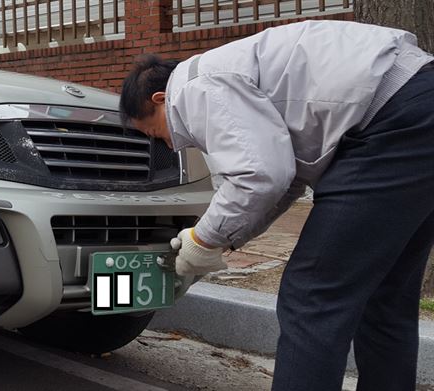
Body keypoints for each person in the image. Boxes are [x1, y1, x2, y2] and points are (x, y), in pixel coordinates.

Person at [119, 20, 434, 391]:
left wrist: (203, 238)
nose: (167, 145)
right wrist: (224, 240)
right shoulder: (232, 69)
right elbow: (285, 181)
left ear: (159, 100)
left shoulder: (194, 87)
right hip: (418, 102)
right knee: (386, 298)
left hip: (391, 122)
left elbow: (260, 174)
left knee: (310, 296)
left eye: (153, 132)